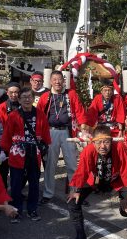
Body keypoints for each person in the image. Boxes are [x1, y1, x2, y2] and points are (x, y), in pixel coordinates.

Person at [65, 125, 127, 239]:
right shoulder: (88, 150)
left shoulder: (119, 147)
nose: (102, 146)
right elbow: (82, 171)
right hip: (95, 180)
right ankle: (80, 236)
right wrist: (75, 190)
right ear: (93, 142)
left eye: (106, 142)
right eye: (98, 142)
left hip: (116, 181)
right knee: (73, 202)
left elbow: (126, 170)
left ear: (111, 141)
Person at [37, 71, 89, 204]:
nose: (57, 82)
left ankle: (75, 191)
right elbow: (39, 116)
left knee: (72, 164)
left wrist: (83, 129)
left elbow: (79, 111)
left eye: (60, 79)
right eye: (54, 79)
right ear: (50, 81)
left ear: (63, 80)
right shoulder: (45, 96)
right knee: (50, 165)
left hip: (67, 132)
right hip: (51, 132)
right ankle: (48, 193)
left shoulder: (70, 94)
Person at [1, 88, 51, 223]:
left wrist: (46, 146)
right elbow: (6, 135)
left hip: (34, 153)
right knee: (16, 184)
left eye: (29, 97)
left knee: (34, 183)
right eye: (24, 97)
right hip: (17, 153)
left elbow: (46, 134)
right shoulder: (13, 115)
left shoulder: (41, 114)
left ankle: (32, 209)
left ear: (34, 98)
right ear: (19, 100)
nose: (27, 99)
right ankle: (16, 210)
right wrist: (3, 151)